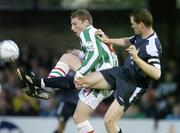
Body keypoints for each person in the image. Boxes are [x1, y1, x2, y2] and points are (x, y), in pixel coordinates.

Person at [18, 8, 162, 133]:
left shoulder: (152, 46)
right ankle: (43, 86)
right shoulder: (141, 35)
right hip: (121, 73)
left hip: (134, 84)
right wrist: (109, 40)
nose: (132, 27)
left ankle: (40, 84)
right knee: (81, 85)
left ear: (141, 25)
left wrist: (137, 60)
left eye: (133, 24)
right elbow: (128, 40)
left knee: (108, 122)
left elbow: (157, 73)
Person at [18, 9, 118, 133]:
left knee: (67, 59)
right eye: (71, 24)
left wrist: (81, 72)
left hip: (102, 76)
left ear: (86, 22)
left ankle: (45, 87)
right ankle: (48, 89)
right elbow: (102, 54)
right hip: (106, 78)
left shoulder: (88, 32)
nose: (72, 28)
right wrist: (81, 54)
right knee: (79, 119)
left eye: (75, 24)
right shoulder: (95, 33)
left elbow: (96, 55)